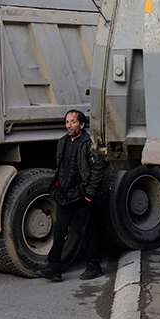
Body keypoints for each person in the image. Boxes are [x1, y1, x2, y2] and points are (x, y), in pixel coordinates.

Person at [37, 109, 106, 282]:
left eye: (73, 122)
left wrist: (89, 194)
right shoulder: (62, 142)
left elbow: (98, 169)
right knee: (59, 232)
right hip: (64, 196)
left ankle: (94, 267)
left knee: (87, 232)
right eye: (67, 122)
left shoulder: (89, 143)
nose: (69, 125)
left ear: (82, 125)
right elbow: (61, 167)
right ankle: (54, 269)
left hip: (81, 196)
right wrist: (57, 190)